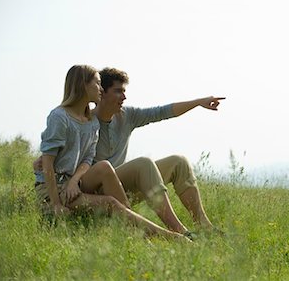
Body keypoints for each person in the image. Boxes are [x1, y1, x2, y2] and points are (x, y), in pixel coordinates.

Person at [35, 64, 188, 241]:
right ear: (83, 85)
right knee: (110, 202)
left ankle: (145, 235)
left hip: (73, 185)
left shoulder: (91, 122)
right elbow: (46, 162)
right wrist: (55, 204)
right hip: (52, 191)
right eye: (97, 84)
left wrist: (74, 181)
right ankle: (169, 237)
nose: (101, 89)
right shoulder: (59, 117)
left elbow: (87, 158)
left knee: (105, 168)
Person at [92, 67, 225, 235]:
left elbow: (162, 112)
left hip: (122, 187)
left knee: (179, 162)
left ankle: (205, 227)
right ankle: (181, 233)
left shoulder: (127, 116)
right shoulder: (86, 121)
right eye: (118, 91)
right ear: (102, 93)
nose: (124, 97)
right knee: (143, 164)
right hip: (99, 193)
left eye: (124, 91)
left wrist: (198, 102)